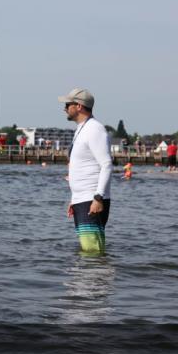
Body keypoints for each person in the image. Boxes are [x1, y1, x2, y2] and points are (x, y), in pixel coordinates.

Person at [59, 88, 113, 254]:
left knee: (92, 252)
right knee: (88, 250)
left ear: (79, 106)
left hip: (91, 200)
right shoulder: (82, 128)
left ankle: (95, 279)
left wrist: (98, 197)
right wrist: (74, 199)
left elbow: (106, 164)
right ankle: (87, 280)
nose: (65, 108)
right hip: (82, 200)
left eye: (68, 104)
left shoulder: (94, 129)